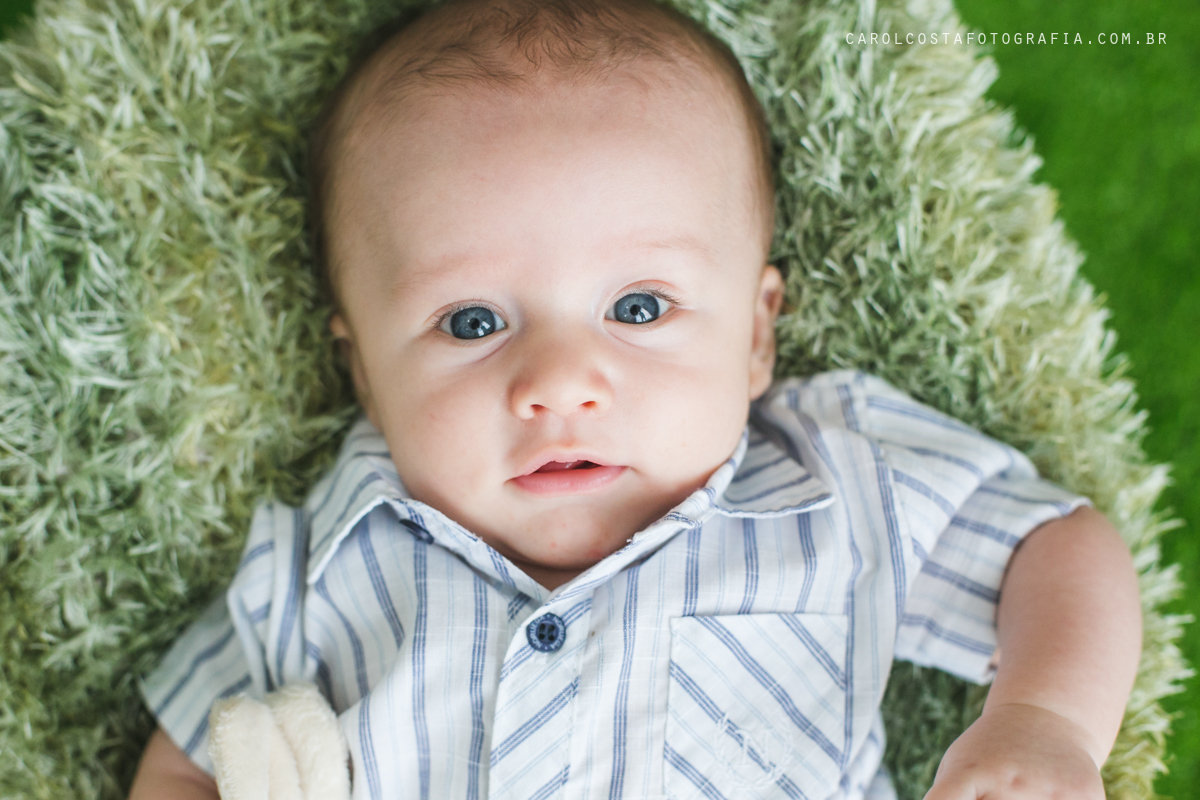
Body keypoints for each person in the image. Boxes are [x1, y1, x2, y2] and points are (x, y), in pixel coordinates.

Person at [127, 0, 1142, 797]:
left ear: (754, 333)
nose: (560, 382)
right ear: (362, 371)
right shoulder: (322, 557)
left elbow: (1053, 545)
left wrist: (1044, 717)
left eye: (640, 305)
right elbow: (188, 751)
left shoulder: (832, 481)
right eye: (473, 322)